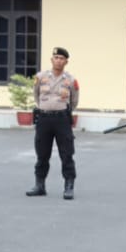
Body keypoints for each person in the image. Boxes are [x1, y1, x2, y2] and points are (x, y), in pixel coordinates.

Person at [27, 47, 79, 200]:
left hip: (62, 119)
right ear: (52, 60)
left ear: (66, 62)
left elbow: (74, 101)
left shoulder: (71, 80)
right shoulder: (40, 76)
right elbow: (36, 95)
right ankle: (39, 185)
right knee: (42, 154)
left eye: (61, 58)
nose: (58, 60)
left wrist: (60, 109)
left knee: (67, 154)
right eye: (56, 57)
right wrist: (45, 107)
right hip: (44, 119)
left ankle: (69, 186)